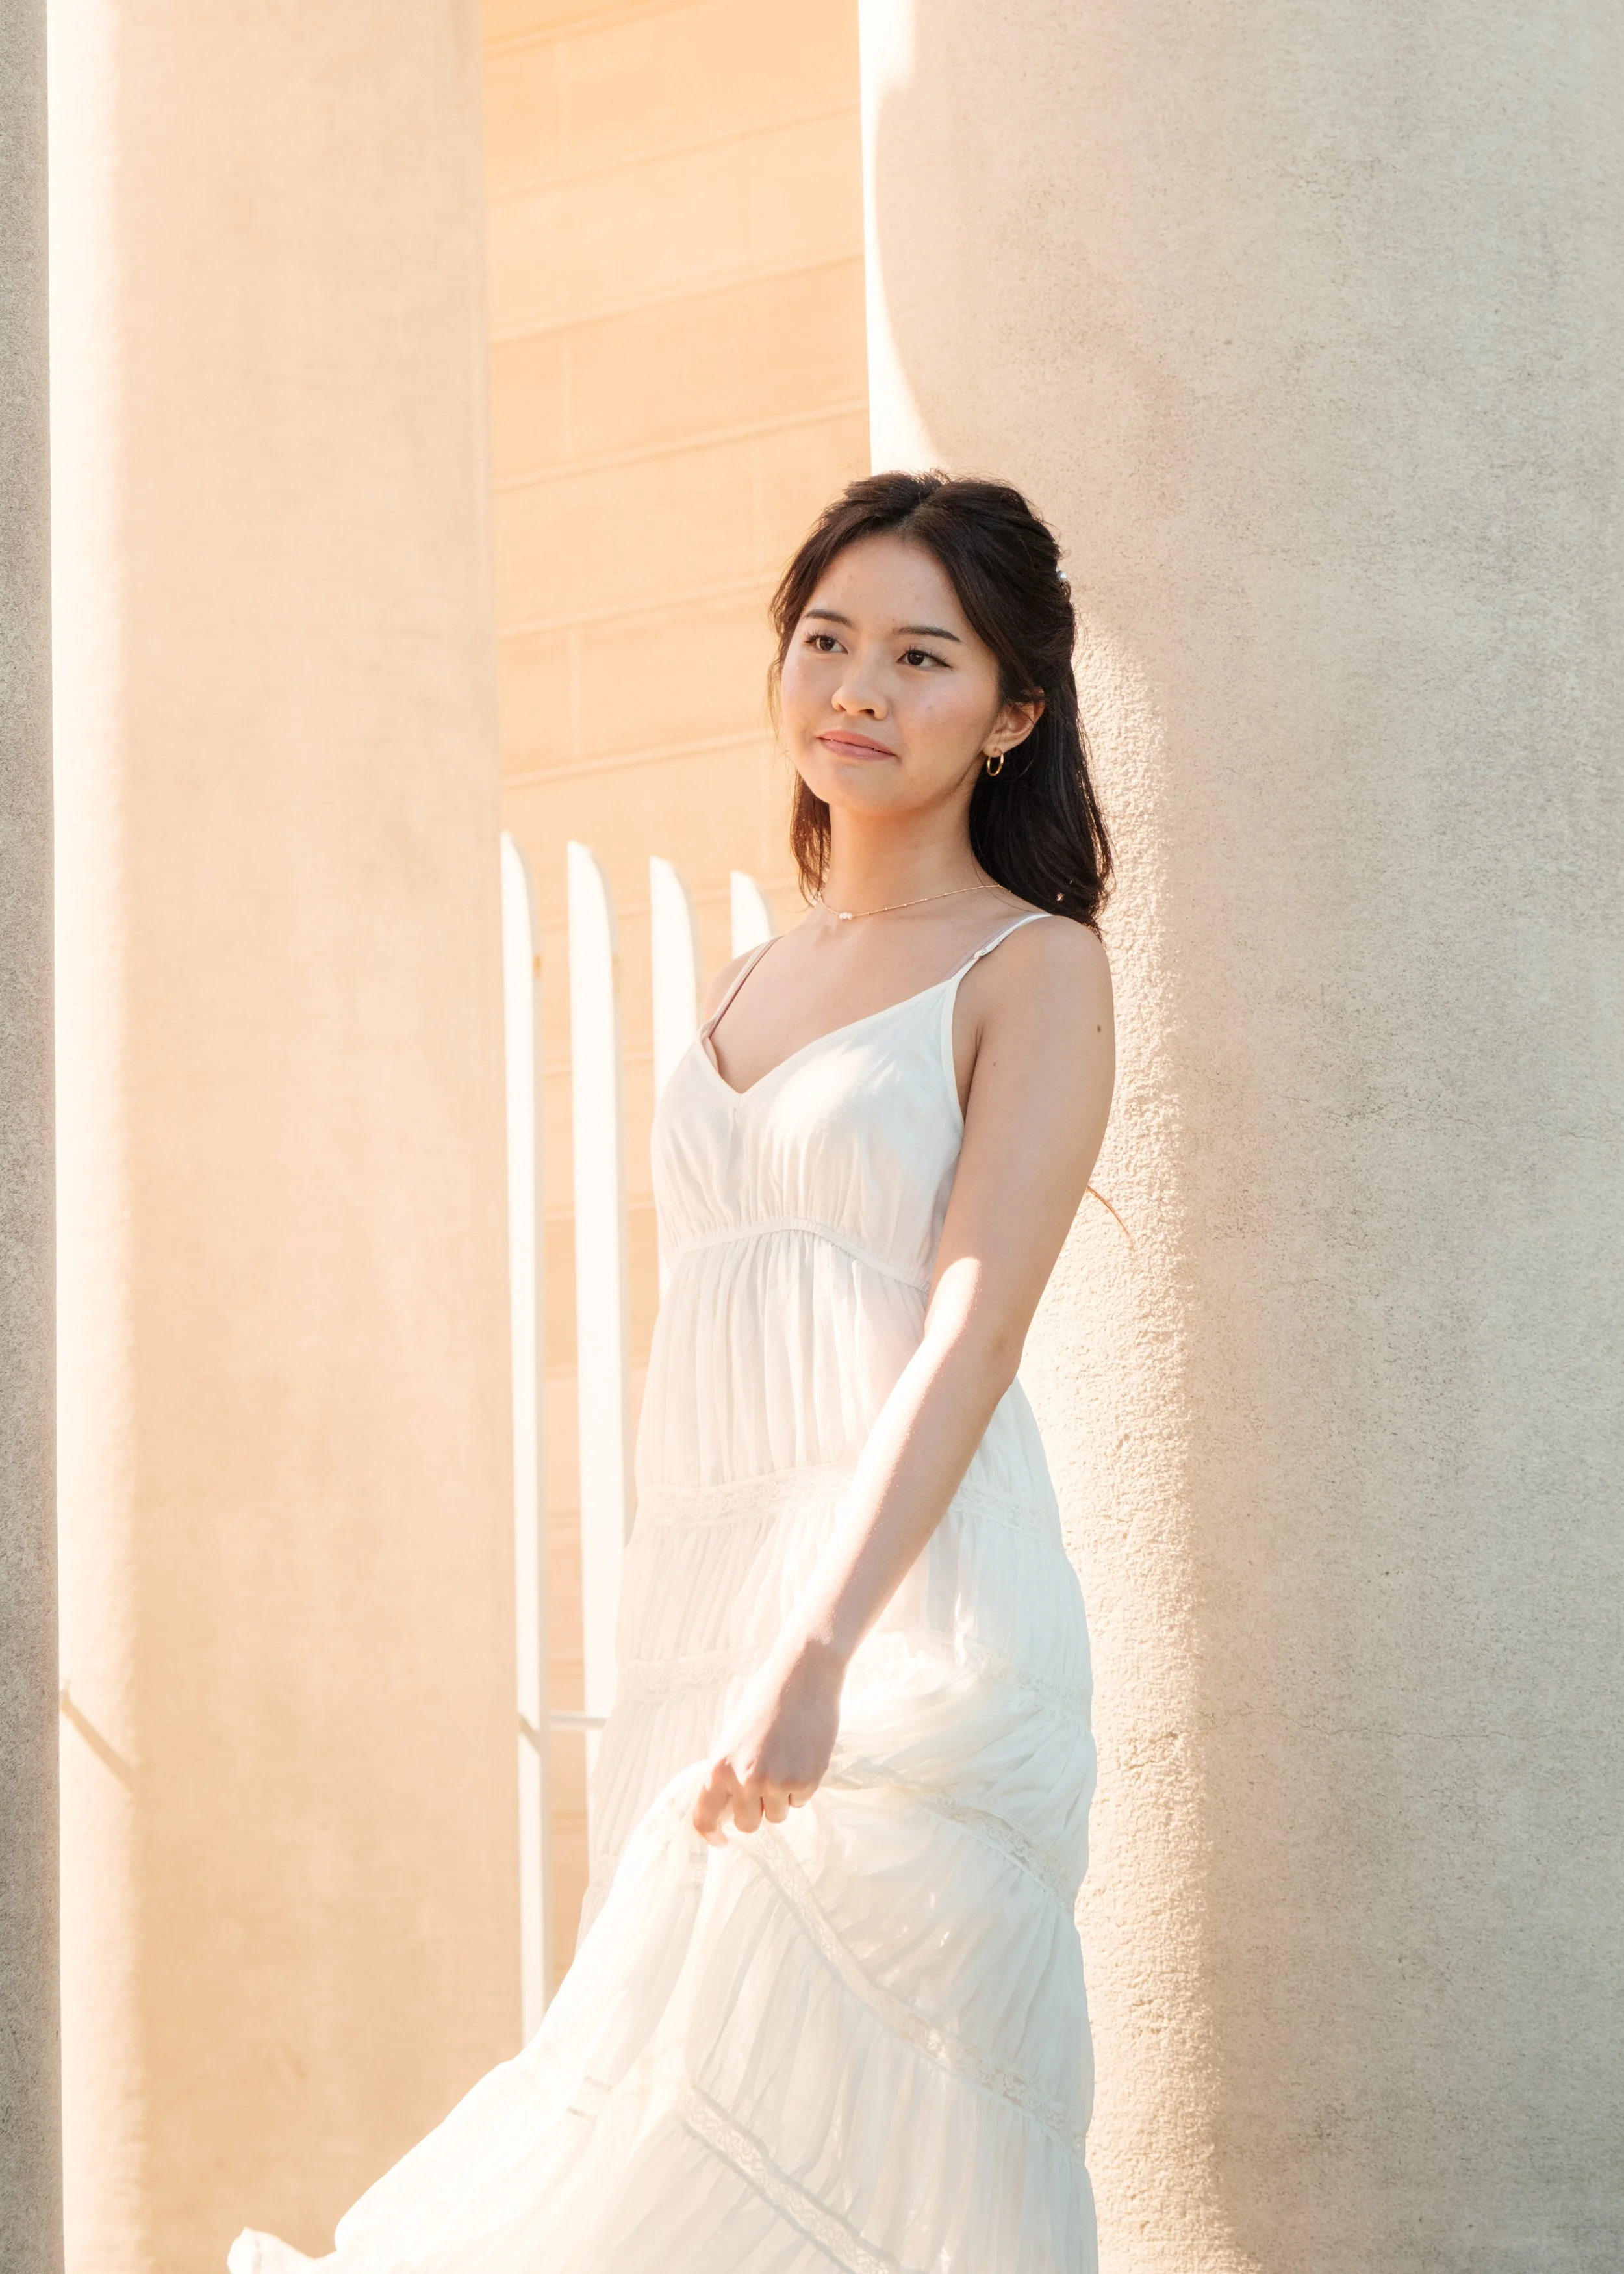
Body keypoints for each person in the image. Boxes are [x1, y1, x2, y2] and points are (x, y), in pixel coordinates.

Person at [230, 468, 1117, 2273]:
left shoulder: (1033, 969)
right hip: (708, 1613)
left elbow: (976, 1322)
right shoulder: (744, 974)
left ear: (1010, 713)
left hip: (901, 1623)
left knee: (870, 2139)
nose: (856, 689)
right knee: (655, 2105)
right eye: (825, 639)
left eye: (920, 657)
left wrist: (817, 1648)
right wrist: (731, 1640)